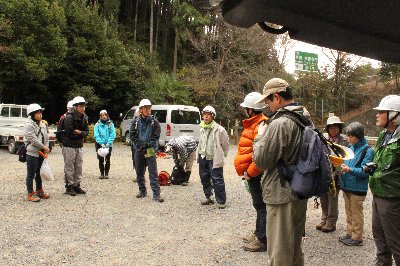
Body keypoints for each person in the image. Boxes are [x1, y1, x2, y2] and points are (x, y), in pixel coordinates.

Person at [253, 78, 312, 266]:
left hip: (281, 193)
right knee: (294, 247)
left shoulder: (280, 124)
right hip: (299, 188)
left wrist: (260, 137)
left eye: (268, 101)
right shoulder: (304, 117)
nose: (267, 107)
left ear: (276, 97)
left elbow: (262, 160)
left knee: (279, 251)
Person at [234, 92, 268, 252]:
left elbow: (260, 156)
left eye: (247, 108)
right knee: (259, 205)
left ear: (251, 110)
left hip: (256, 173)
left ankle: (262, 239)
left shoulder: (261, 125)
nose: (245, 111)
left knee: (261, 206)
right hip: (252, 173)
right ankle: (258, 232)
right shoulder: (255, 124)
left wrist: (250, 173)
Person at [369, 95, 400, 265]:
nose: (377, 115)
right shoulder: (383, 135)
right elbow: (380, 161)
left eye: (382, 112)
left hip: (393, 198)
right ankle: (382, 263)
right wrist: (372, 167)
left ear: (394, 115)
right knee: (379, 236)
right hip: (377, 193)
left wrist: (380, 173)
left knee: (396, 241)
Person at [338, 122, 374, 246]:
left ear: (358, 135)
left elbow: (366, 171)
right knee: (348, 212)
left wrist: (350, 170)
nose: (348, 139)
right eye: (347, 136)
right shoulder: (351, 147)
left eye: (351, 136)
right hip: (346, 185)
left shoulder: (367, 151)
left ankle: (357, 237)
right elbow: (347, 162)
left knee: (356, 213)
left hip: (358, 187)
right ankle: (350, 233)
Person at [316, 115, 349, 233]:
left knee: (332, 197)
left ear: (340, 128)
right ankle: (324, 218)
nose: (334, 129)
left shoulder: (344, 140)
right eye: (331, 127)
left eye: (336, 127)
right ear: (328, 128)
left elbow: (348, 156)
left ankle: (331, 221)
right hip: (324, 171)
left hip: (337, 172)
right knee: (323, 196)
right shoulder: (323, 139)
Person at [130, 99, 164, 202]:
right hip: (139, 150)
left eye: (149, 108)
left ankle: (156, 194)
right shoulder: (135, 122)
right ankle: (142, 191)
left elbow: (156, 135)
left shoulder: (154, 122)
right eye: (145, 108)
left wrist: (148, 144)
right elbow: (132, 135)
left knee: (153, 172)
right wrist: (140, 144)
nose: (148, 110)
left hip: (150, 150)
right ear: (141, 110)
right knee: (139, 171)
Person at [198, 105, 229, 209]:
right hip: (203, 157)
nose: (206, 117)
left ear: (213, 116)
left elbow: (226, 143)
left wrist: (223, 154)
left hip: (214, 158)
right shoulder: (202, 127)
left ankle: (221, 201)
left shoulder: (220, 129)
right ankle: (209, 197)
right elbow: (200, 142)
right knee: (204, 178)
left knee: (217, 179)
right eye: (204, 115)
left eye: (208, 115)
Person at [61, 96, 89, 196]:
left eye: (84, 106)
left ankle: (77, 185)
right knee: (69, 167)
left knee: (78, 166)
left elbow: (87, 132)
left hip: (79, 145)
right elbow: (70, 133)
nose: (83, 108)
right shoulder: (68, 117)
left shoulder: (84, 117)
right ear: (75, 106)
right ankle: (69, 186)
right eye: (81, 106)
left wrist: (80, 132)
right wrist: (81, 133)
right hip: (69, 145)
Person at [23, 104, 50, 202]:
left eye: (40, 112)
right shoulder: (28, 125)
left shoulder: (42, 124)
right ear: (32, 114)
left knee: (39, 173)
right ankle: (30, 194)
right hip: (32, 153)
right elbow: (33, 140)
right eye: (38, 112)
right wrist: (44, 147)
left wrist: (47, 147)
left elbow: (46, 136)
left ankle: (39, 191)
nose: (40, 114)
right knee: (31, 174)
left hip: (41, 153)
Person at [94, 110, 116, 179]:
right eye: (102, 115)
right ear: (100, 116)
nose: (104, 116)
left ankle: (106, 173)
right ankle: (101, 173)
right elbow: (96, 135)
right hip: (100, 145)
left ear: (107, 116)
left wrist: (108, 143)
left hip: (108, 145)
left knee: (107, 159)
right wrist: (101, 143)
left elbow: (112, 134)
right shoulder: (97, 124)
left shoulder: (111, 124)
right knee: (100, 159)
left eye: (105, 115)